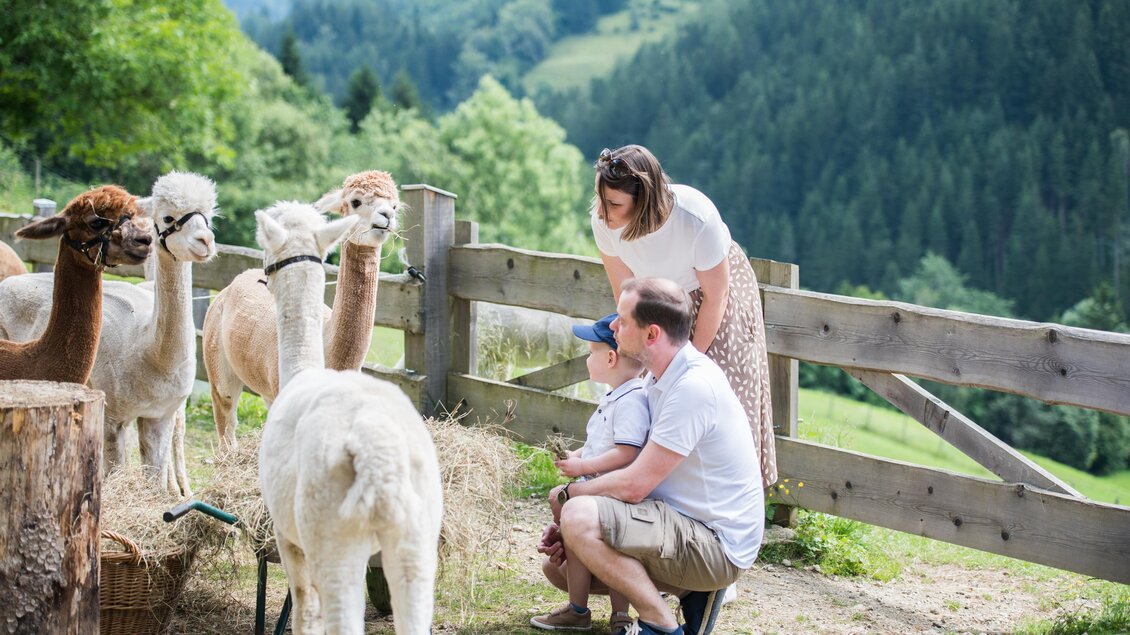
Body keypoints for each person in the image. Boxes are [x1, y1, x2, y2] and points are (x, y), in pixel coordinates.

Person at [539, 277, 764, 635]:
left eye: (623, 321)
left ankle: (659, 623)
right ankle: (690, 591)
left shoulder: (692, 387)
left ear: (652, 334)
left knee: (580, 516)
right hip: (679, 523)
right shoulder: (656, 380)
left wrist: (569, 500)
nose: (613, 326)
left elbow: (634, 485)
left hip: (714, 543)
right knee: (560, 570)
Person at [589, 144, 777, 491]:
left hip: (711, 295)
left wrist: (685, 361)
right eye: (600, 199)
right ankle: (664, 492)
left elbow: (717, 295)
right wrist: (637, 340)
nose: (603, 212)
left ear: (643, 199)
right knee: (652, 391)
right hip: (655, 299)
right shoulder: (604, 222)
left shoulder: (695, 217)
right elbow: (625, 291)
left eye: (613, 204)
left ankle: (735, 498)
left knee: (715, 385)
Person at [531, 313, 650, 634]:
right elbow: (601, 444)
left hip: (615, 496)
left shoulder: (632, 401)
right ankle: (578, 608)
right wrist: (577, 456)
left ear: (611, 357)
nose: (588, 358)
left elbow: (628, 452)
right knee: (561, 503)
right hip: (597, 489)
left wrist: (583, 468)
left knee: (611, 544)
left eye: (591, 351)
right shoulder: (614, 397)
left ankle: (619, 615)